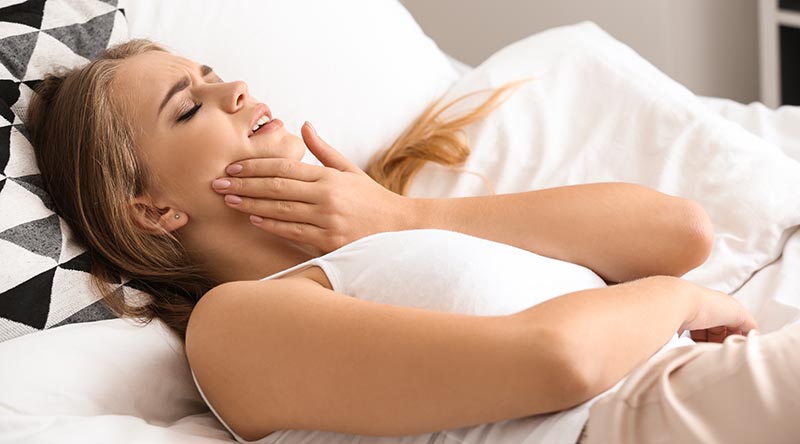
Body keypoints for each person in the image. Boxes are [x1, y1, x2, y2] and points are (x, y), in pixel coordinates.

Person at [25, 39, 798, 444]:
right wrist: (676, 302)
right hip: (638, 420)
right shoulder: (233, 326)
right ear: (152, 210)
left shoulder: (394, 231)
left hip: (696, 385)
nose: (235, 89)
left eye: (212, 74)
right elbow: (557, 362)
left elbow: (678, 233)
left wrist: (402, 215)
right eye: (188, 107)